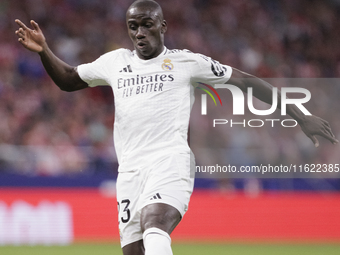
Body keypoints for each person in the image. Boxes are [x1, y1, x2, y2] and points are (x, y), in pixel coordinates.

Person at [15, 0, 338, 254]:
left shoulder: (187, 62)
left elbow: (245, 81)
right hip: (129, 172)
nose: (139, 32)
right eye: (133, 27)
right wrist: (45, 51)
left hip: (169, 161)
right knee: (135, 249)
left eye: (146, 24)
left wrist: (300, 115)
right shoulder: (115, 63)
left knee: (154, 224)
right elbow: (68, 80)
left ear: (162, 26)